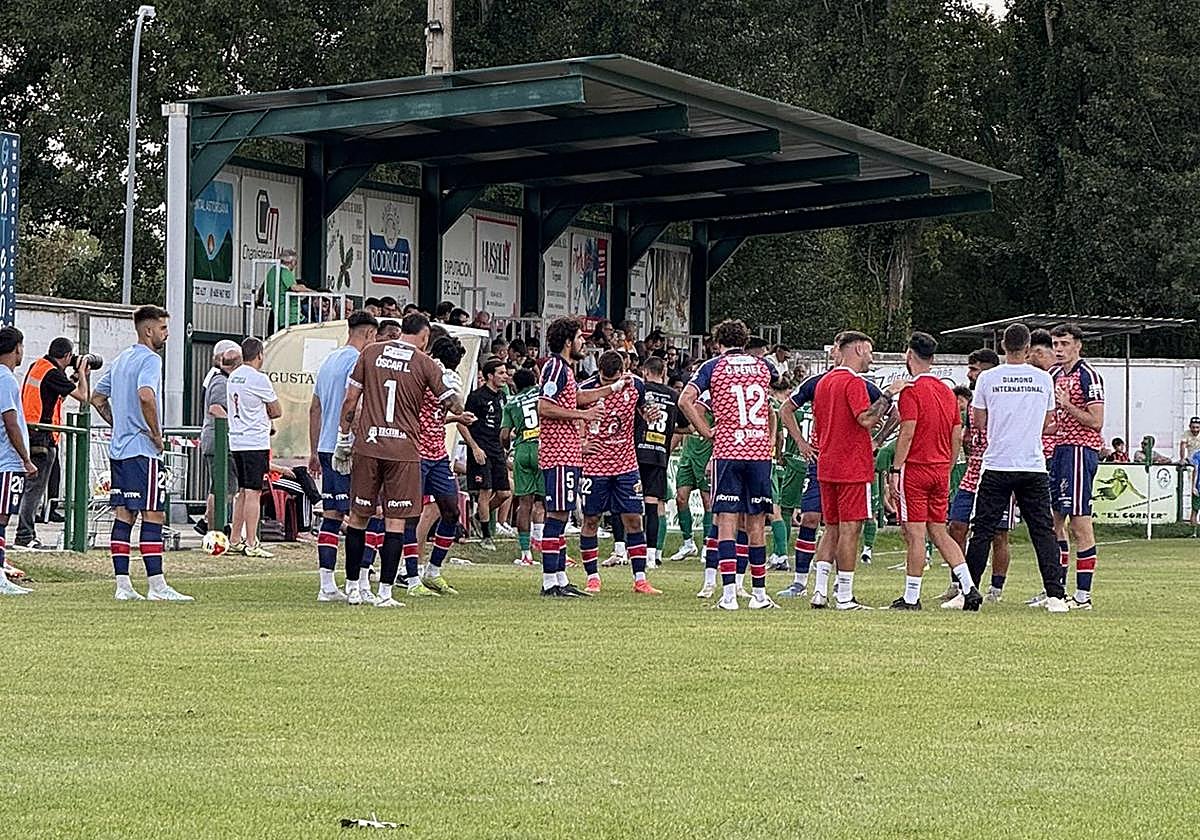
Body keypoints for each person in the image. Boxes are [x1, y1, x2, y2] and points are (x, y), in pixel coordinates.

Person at [337, 312, 466, 608]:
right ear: (424, 336)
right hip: (404, 451)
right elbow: (452, 403)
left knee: (359, 517)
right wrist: (453, 391)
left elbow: (350, 401)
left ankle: (354, 587)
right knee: (395, 522)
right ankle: (384, 593)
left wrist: (343, 439)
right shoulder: (425, 363)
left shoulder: (370, 352)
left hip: (368, 445)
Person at [964, 323, 1070, 613]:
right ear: (1027, 349)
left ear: (1002, 347)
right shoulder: (1043, 379)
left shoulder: (987, 378)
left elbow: (979, 421)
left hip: (997, 463)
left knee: (983, 530)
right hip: (1032, 464)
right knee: (1042, 532)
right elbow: (1049, 421)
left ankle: (969, 593)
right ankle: (1056, 595)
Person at [91, 306, 192, 601]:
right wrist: (157, 435)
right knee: (154, 513)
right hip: (141, 450)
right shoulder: (150, 359)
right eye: (163, 328)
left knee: (124, 515)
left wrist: (118, 421)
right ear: (148, 330)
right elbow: (146, 395)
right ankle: (157, 585)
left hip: (119, 449)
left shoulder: (122, 358)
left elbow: (97, 398)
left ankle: (123, 586)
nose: (167, 334)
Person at [678, 318, 779, 611]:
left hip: (729, 449)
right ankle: (759, 595)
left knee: (726, 521)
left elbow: (686, 400)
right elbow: (773, 401)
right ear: (745, 342)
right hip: (759, 452)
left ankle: (729, 596)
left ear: (718, 343)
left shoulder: (712, 367)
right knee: (757, 523)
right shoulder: (763, 366)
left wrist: (705, 431)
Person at [885, 332, 980, 611]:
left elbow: (908, 430)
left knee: (915, 533)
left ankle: (912, 596)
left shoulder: (911, 391)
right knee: (940, 531)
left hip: (915, 468)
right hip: (940, 469)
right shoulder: (947, 393)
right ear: (933, 359)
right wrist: (949, 464)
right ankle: (969, 586)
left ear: (909, 356)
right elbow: (956, 434)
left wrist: (895, 468)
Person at [812, 331, 904, 610]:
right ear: (860, 350)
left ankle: (819, 591)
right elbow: (865, 419)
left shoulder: (824, 382)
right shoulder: (853, 383)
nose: (871, 359)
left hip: (827, 463)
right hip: (852, 465)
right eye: (871, 352)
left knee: (832, 529)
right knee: (851, 529)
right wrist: (888, 394)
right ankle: (844, 595)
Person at [577, 350, 662, 594]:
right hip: (595, 466)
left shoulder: (635, 384)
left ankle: (640, 579)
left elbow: (645, 408)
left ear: (622, 372)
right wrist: (581, 444)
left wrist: (650, 413)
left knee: (634, 520)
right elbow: (573, 419)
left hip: (626, 464)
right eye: (603, 380)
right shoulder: (586, 390)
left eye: (611, 380)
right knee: (591, 519)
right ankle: (592, 576)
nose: (607, 385)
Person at [309, 310, 378, 602]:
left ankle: (327, 585)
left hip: (325, 446)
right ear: (370, 334)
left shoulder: (328, 361)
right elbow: (357, 405)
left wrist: (314, 450)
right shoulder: (358, 361)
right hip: (347, 447)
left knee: (332, 515)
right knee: (368, 512)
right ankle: (360, 581)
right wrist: (351, 440)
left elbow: (315, 407)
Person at [536, 317, 606, 597]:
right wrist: (583, 416)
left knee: (562, 517)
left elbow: (577, 397)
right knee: (556, 516)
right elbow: (544, 406)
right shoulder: (554, 367)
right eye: (579, 337)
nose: (583, 342)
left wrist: (612, 389)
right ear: (567, 342)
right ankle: (549, 581)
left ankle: (561, 578)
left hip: (569, 453)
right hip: (558, 455)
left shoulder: (565, 369)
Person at [944, 348, 1014, 604]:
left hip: (998, 471)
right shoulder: (973, 402)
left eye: (974, 369)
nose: (969, 374)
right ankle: (960, 582)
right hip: (973, 472)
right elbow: (967, 437)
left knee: (998, 533)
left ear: (988, 370)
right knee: (956, 526)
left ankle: (996, 589)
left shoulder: (1003, 397)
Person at [1046, 323, 1105, 610]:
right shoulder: (1054, 374)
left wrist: (1068, 405)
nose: (1059, 350)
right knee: (1054, 520)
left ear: (1078, 345)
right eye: (1055, 344)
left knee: (1080, 522)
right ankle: (1056, 591)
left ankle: (1083, 596)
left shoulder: (1088, 375)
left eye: (1064, 344)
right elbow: (1056, 421)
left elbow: (1096, 421)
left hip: (1080, 451)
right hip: (1058, 450)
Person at [16, 336, 92, 549]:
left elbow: (56, 396)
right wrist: (84, 375)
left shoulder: (39, 366)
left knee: (33, 487)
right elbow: (83, 396)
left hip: (30, 432)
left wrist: (73, 378)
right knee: (35, 489)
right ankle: (24, 535)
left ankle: (26, 533)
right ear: (67, 356)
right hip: (42, 436)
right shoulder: (53, 373)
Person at [414, 334, 475, 594]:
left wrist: (452, 419)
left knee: (451, 511)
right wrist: (453, 394)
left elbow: (439, 414)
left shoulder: (441, 377)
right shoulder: (427, 375)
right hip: (415, 452)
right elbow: (456, 405)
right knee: (408, 514)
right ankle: (409, 573)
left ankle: (433, 570)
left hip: (438, 453)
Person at [226, 338, 281, 558]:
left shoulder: (233, 377)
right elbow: (276, 410)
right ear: (259, 355)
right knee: (253, 492)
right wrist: (267, 416)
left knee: (241, 492)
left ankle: (235, 539)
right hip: (254, 441)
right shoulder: (259, 379)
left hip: (237, 439)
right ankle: (251, 541)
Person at [460, 359, 511, 551]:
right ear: (490, 376)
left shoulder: (502, 397)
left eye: (505, 373)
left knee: (505, 493)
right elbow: (462, 424)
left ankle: (478, 516)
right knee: (485, 490)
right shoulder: (477, 397)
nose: (505, 376)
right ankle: (486, 536)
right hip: (480, 450)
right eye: (501, 373)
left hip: (497, 450)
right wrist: (474, 447)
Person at [0, 327, 35, 595]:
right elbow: (11, 422)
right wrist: (26, 458)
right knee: (2, 518)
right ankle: (1, 576)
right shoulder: (7, 380)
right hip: (7, 462)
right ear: (17, 349)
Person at [636, 356, 678, 569]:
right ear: (663, 372)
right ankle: (651, 556)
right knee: (653, 506)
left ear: (645, 371)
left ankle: (625, 551)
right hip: (659, 454)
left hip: (636, 453)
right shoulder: (673, 395)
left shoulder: (640, 390)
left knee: (629, 504)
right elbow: (685, 426)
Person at [197, 342, 242, 537]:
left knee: (220, 487)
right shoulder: (221, 381)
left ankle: (209, 522)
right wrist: (237, 424)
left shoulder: (217, 378)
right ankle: (214, 529)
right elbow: (215, 408)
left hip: (216, 441)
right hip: (218, 441)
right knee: (224, 488)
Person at [501, 367, 544, 567]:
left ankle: (526, 553)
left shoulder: (511, 403)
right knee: (547, 502)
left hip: (523, 450)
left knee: (524, 503)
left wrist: (507, 447)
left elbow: (503, 435)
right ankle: (544, 544)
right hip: (544, 448)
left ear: (516, 385)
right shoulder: (541, 393)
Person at [262, 249, 311, 332]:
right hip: (291, 317)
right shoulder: (285, 272)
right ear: (292, 262)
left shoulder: (271, 271)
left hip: (278, 316)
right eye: (295, 262)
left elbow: (262, 289)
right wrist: (315, 292)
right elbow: (295, 288)